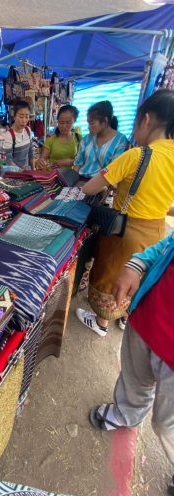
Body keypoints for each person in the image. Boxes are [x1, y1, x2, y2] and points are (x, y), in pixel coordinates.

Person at [75, 89, 174, 337]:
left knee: (111, 275)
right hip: (158, 231)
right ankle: (124, 317)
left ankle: (101, 323)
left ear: (147, 119)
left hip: (125, 231)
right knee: (140, 274)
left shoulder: (137, 155)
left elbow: (90, 187)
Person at [88, 233, 174, 495]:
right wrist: (137, 264)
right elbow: (166, 244)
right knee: (134, 380)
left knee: (166, 425)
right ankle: (126, 414)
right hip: (148, 317)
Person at [73, 100, 128, 178]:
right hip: (81, 180)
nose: (88, 127)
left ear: (105, 121)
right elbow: (78, 163)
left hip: (103, 185)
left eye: (91, 123)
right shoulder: (87, 139)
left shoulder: (120, 141)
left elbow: (115, 169)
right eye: (88, 123)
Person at [37, 105, 81, 169]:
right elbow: (42, 159)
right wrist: (40, 162)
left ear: (74, 121)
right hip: (52, 176)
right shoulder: (50, 140)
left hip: (70, 176)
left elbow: (82, 160)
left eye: (68, 122)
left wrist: (68, 162)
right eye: (61, 122)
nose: (64, 126)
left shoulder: (78, 138)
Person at [3, 100, 35, 170]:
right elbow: (9, 161)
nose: (24, 120)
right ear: (14, 116)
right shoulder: (9, 135)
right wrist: (22, 172)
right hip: (15, 175)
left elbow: (30, 153)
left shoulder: (28, 130)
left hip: (27, 173)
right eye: (21, 117)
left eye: (27, 117)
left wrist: (34, 170)